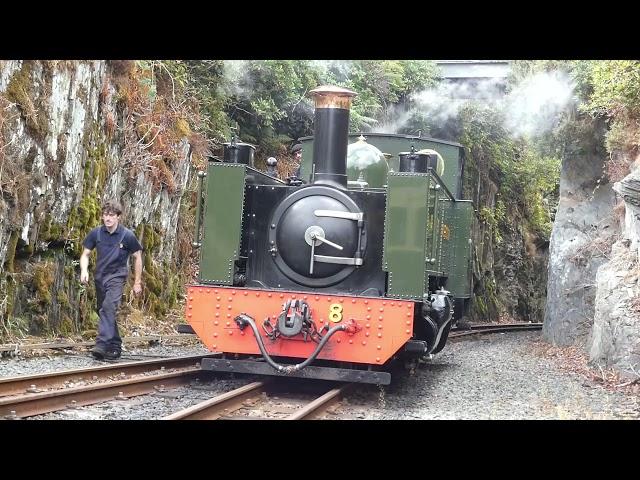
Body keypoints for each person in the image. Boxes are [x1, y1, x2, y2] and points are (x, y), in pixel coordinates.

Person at [80, 200, 143, 360]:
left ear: (118, 217)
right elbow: (85, 254)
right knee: (104, 311)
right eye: (105, 215)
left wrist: (137, 282)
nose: (107, 218)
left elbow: (137, 257)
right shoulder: (97, 233)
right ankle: (115, 346)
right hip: (100, 277)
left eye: (111, 215)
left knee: (108, 308)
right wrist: (84, 270)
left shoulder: (127, 235)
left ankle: (101, 345)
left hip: (117, 277)